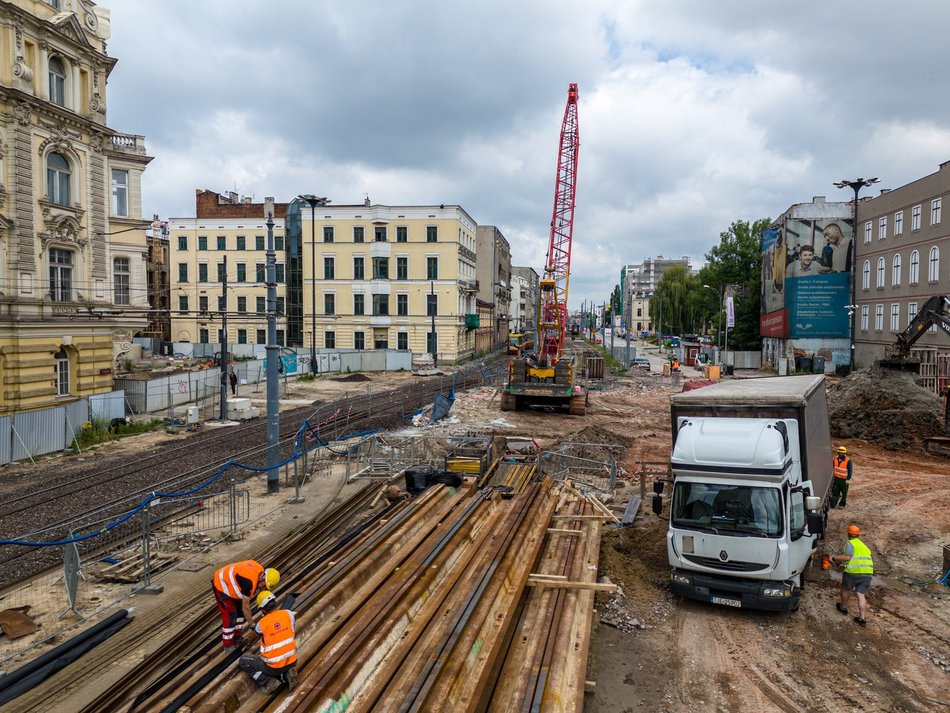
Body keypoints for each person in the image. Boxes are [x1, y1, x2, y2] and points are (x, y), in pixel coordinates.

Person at [239, 590, 299, 694]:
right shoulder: (288, 614)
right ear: (275, 602)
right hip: (292, 660)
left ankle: (268, 681)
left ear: (262, 610)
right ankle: (288, 673)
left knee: (244, 660)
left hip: (274, 667)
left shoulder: (261, 623)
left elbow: (257, 632)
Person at [212, 560, 279, 647]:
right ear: (263, 579)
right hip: (221, 583)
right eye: (265, 585)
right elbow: (246, 608)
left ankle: (237, 637)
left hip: (230, 582)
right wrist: (252, 625)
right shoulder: (248, 582)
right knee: (231, 615)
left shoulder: (259, 571)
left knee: (240, 613)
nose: (264, 588)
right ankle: (228, 645)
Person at [832, 524, 874, 626]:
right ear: (858, 535)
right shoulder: (864, 546)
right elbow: (858, 559)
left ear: (848, 534)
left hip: (853, 572)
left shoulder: (850, 543)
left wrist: (834, 558)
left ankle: (844, 608)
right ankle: (862, 618)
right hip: (867, 572)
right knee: (861, 594)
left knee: (846, 589)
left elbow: (848, 558)